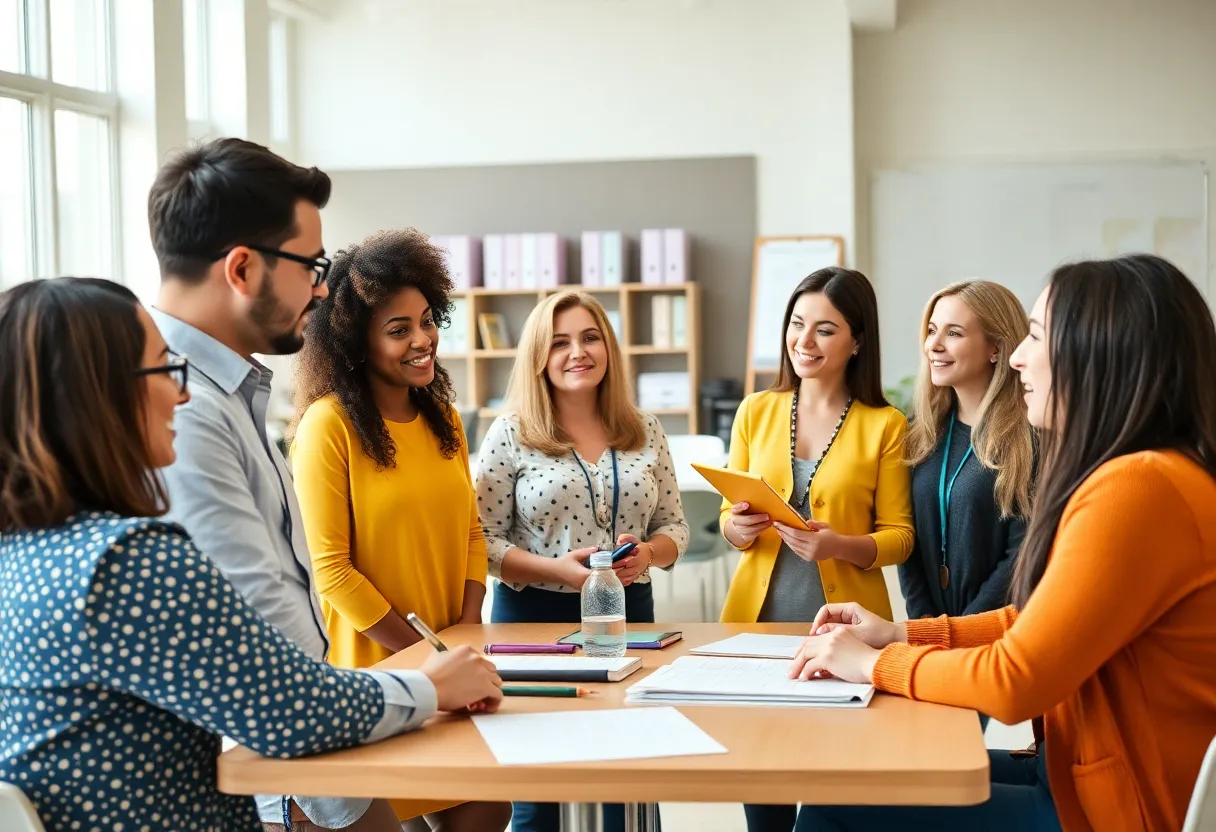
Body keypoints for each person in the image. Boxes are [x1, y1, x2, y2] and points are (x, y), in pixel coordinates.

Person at [0, 278, 504, 832]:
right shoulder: (125, 563)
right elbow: (288, 707)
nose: (183, 394)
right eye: (164, 371)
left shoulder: (31, 548)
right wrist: (433, 686)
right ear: (93, 400)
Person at [789, 254, 1216, 832]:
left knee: (832, 801)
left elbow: (1015, 683)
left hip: (1112, 808)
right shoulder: (1151, 475)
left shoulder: (1137, 487)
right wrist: (901, 631)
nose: (1017, 357)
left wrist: (873, 663)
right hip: (1078, 772)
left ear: (1099, 353)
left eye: (1035, 335)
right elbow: (1034, 621)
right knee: (853, 776)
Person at [145, 138, 497, 831]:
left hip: (322, 744)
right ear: (243, 268)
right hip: (299, 761)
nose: (319, 288)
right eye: (310, 265)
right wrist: (422, 685)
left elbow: (285, 590)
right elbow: (267, 626)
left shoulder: (232, 394)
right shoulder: (186, 413)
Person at [289, 229, 510, 831]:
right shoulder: (327, 426)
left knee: (490, 808)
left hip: (449, 662)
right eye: (398, 329)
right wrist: (425, 661)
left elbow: (470, 532)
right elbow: (331, 570)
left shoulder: (442, 419)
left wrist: (465, 636)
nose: (422, 340)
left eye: (426, 320)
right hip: (376, 672)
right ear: (355, 341)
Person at [474, 290, 690, 832]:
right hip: (532, 625)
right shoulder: (510, 433)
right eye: (560, 342)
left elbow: (674, 527)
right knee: (538, 788)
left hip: (630, 618)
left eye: (590, 337)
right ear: (540, 357)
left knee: (630, 774)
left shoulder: (646, 429)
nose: (578, 352)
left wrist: (646, 554)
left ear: (609, 348)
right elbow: (482, 541)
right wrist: (554, 570)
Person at [719, 266, 914, 832]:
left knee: (833, 798)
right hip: (754, 631)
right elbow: (732, 528)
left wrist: (839, 544)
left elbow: (901, 536)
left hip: (842, 636)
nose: (804, 342)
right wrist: (740, 528)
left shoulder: (886, 425)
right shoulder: (756, 411)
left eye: (825, 330)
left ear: (858, 340)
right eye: (797, 324)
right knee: (763, 790)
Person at [898, 281, 1034, 622]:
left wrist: (958, 631)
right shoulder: (922, 433)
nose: (934, 345)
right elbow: (908, 541)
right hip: (929, 639)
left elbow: (1021, 554)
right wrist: (924, 623)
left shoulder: (1028, 437)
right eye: (931, 331)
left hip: (995, 635)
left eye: (954, 333)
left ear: (996, 348)